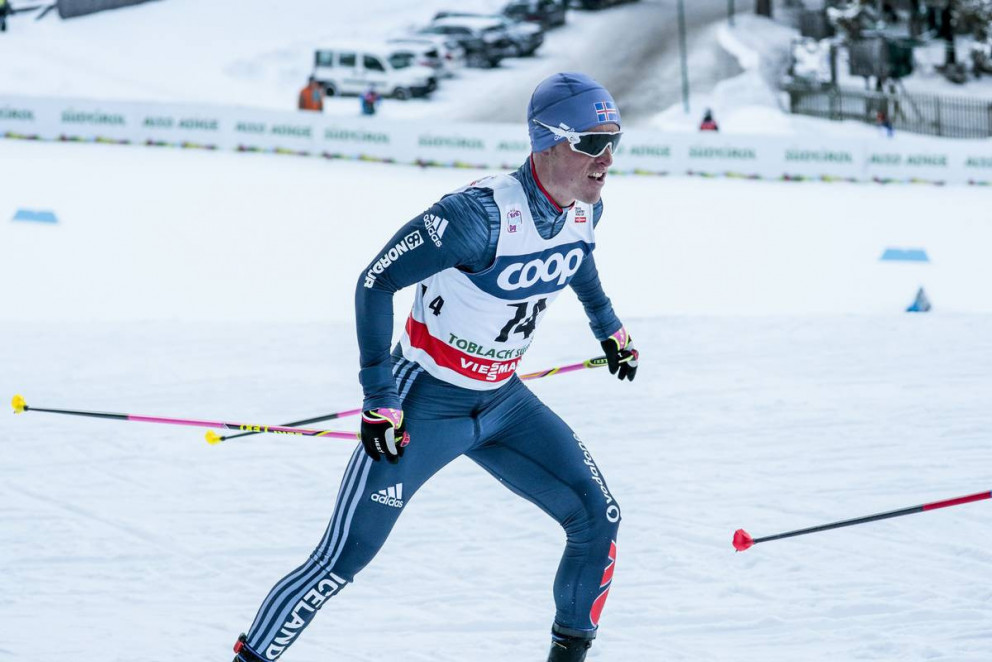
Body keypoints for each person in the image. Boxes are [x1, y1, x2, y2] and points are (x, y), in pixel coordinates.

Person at [232, 72, 638, 662]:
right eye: (593, 143)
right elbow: (375, 282)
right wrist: (380, 397)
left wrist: (609, 327)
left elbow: (577, 259)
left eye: (614, 142)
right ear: (547, 141)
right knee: (342, 559)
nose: (607, 160)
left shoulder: (584, 210)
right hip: (426, 403)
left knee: (598, 518)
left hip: (503, 403)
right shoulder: (476, 217)